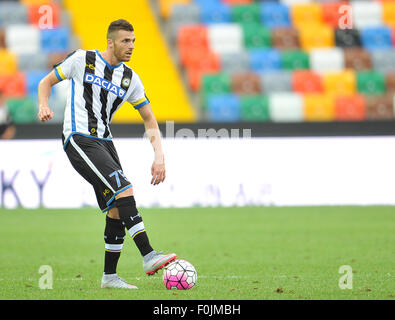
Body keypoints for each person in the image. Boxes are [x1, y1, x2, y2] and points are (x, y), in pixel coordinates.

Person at [37, 19, 176, 289]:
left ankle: (109, 277)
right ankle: (148, 255)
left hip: (105, 142)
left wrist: (159, 155)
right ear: (110, 42)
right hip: (79, 138)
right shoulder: (82, 60)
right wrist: (43, 104)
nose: (131, 46)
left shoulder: (130, 78)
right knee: (124, 189)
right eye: (126, 41)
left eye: (134, 41)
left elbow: (149, 119)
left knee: (115, 208)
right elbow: (46, 82)